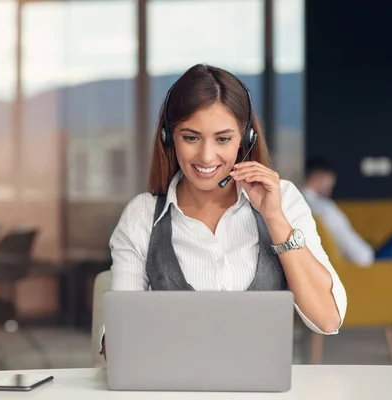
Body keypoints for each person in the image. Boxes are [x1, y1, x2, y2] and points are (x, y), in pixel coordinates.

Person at [100, 64, 346, 359]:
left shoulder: (285, 199)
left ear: (246, 139)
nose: (206, 156)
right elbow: (117, 345)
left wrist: (275, 219)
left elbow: (328, 319)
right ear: (169, 137)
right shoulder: (142, 215)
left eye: (223, 139)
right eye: (190, 137)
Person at [302, 157, 375, 267]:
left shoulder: (297, 204)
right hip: (365, 267)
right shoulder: (324, 208)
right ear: (318, 177)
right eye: (330, 179)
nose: (332, 185)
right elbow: (361, 256)